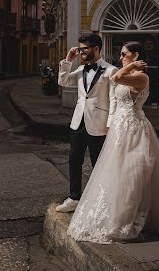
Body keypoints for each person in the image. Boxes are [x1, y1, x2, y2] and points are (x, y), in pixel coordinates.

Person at [67, 41, 159, 243]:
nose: (121, 58)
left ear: (135, 55)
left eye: (124, 54)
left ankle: (130, 216)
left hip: (133, 128)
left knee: (132, 172)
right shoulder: (130, 74)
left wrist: (129, 66)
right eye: (121, 55)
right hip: (120, 126)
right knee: (114, 170)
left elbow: (116, 77)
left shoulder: (141, 77)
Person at [55, 33, 118, 213]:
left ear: (96, 49)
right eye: (80, 48)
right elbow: (63, 81)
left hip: (99, 123)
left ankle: (101, 198)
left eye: (84, 49)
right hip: (78, 122)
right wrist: (68, 60)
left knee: (99, 163)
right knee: (74, 160)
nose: (81, 52)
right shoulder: (82, 70)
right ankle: (74, 197)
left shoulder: (110, 70)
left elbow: (113, 99)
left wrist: (110, 124)